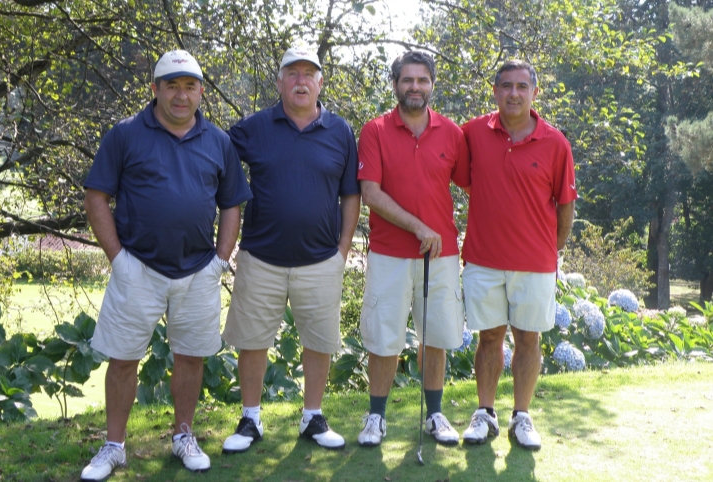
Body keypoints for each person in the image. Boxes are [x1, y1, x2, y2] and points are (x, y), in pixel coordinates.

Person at [81, 50, 252, 480]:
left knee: (191, 358)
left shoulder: (219, 141)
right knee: (123, 359)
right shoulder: (124, 135)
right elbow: (96, 197)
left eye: (189, 86)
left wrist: (221, 259)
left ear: (200, 92)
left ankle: (183, 436)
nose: (181, 95)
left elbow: (232, 202)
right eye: (171, 86)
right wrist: (117, 258)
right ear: (155, 89)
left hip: (198, 271)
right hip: (136, 266)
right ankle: (114, 446)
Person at [221, 46, 360, 453]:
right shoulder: (252, 128)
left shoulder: (340, 132)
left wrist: (342, 250)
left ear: (320, 83)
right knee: (253, 340)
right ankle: (250, 419)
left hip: (321, 259)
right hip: (260, 256)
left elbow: (351, 194)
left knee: (318, 341)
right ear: (279, 82)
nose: (301, 81)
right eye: (292, 73)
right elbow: (216, 164)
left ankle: (312, 417)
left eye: (309, 74)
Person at [460, 60, 577, 450]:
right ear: (495, 91)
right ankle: (485, 414)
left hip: (535, 263)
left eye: (521, 86)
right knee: (489, 336)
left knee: (528, 339)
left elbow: (565, 206)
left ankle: (522, 417)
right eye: (506, 86)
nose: (513, 93)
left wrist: (550, 250)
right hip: (483, 258)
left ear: (534, 93)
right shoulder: (473, 133)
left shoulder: (556, 143)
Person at [356, 51, 470, 447]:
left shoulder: (452, 134)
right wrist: (419, 225)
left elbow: (477, 185)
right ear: (395, 85)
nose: (415, 87)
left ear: (432, 85)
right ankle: (376, 417)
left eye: (423, 80)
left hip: (440, 256)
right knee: (384, 336)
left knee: (435, 335)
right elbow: (371, 193)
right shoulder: (375, 131)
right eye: (408, 80)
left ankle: (435, 415)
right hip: (389, 253)